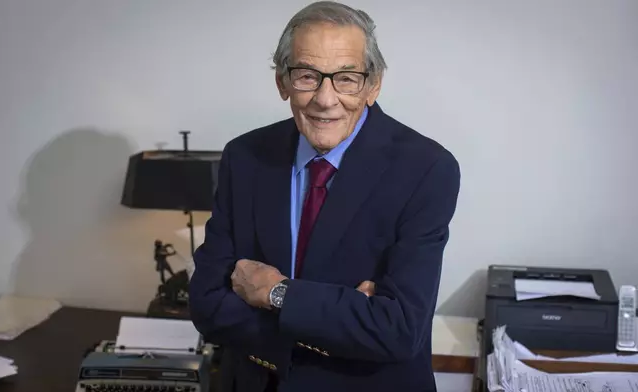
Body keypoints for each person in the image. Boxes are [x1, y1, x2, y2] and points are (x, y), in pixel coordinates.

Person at [189, 2, 461, 391]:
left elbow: (398, 330)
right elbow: (208, 303)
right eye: (307, 76)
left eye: (346, 78)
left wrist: (275, 293)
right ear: (282, 82)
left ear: (373, 83)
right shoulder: (244, 157)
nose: (325, 98)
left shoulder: (426, 168)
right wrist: (344, 316)